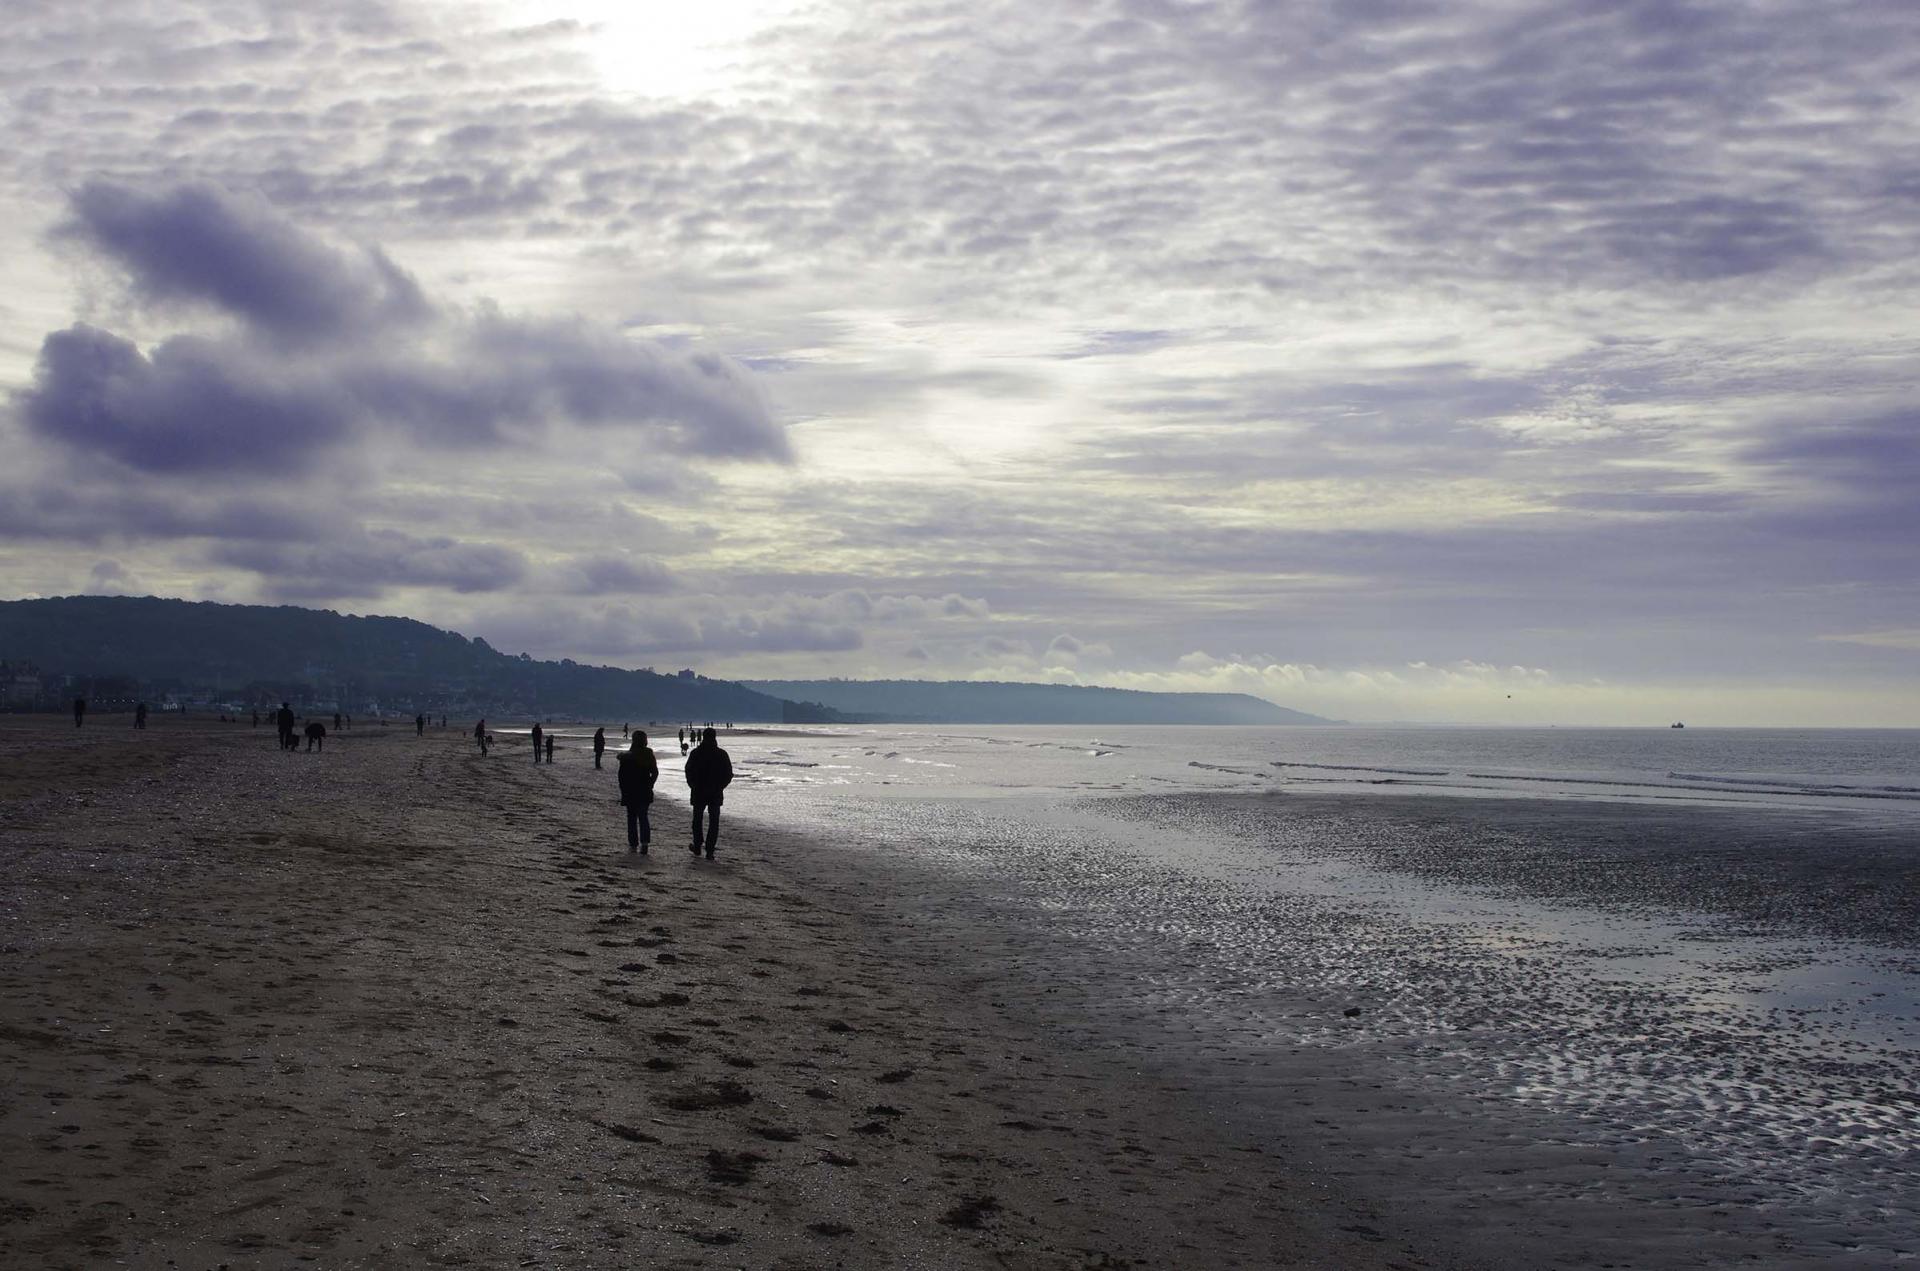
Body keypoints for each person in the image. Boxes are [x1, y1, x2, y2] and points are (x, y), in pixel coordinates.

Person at [684, 727, 733, 860]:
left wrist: (692, 785)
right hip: (715, 792)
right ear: (715, 737)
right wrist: (721, 786)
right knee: (714, 821)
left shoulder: (696, 753)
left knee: (697, 819)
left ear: (704, 737)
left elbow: (688, 771)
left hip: (698, 791)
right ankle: (710, 850)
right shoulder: (721, 754)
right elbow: (728, 774)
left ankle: (698, 845)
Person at [617, 731, 659, 854]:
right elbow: (655, 772)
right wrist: (650, 784)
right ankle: (644, 843)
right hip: (644, 790)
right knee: (643, 817)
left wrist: (623, 790)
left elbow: (621, 776)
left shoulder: (627, 757)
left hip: (630, 791)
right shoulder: (648, 754)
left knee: (631, 817)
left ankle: (633, 843)